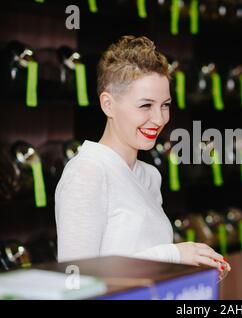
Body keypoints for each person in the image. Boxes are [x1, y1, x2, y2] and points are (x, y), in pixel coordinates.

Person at [55, 35, 230, 278]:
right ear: (108, 104)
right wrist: (174, 255)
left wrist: (190, 269)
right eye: (145, 105)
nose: (159, 119)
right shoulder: (87, 172)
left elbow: (146, 263)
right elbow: (75, 278)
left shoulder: (149, 175)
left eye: (165, 105)